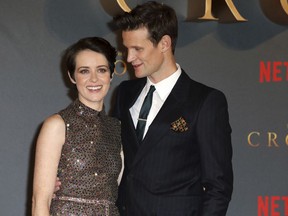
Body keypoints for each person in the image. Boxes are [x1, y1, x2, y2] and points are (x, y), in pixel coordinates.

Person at [112, 1, 233, 215]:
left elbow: (218, 187)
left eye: (137, 49)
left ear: (164, 44)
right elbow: (110, 155)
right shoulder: (125, 93)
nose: (129, 58)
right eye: (126, 48)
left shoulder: (205, 101)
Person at [32, 37, 122, 216]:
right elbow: (39, 202)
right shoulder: (57, 125)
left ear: (111, 74)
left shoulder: (117, 128)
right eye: (84, 71)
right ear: (72, 76)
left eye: (102, 70)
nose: (94, 79)